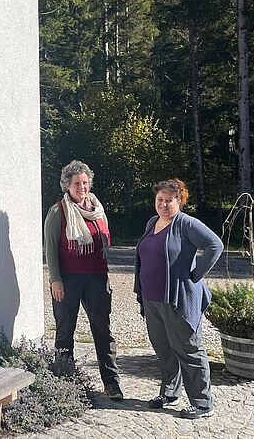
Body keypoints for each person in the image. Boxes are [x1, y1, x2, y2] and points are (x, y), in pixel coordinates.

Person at [134, 178, 223, 419]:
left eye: (169, 200)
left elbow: (215, 244)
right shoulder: (153, 222)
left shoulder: (186, 224)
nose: (163, 204)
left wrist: (195, 275)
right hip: (152, 298)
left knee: (189, 349)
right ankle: (170, 392)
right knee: (164, 349)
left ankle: (203, 403)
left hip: (177, 299)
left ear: (179, 201)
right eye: (159, 200)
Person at [44, 160, 123, 399]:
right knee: (65, 330)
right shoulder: (58, 211)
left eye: (85, 182)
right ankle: (64, 382)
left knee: (102, 330)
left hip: (97, 278)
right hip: (67, 280)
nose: (82, 187)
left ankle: (111, 382)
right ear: (67, 185)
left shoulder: (97, 208)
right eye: (77, 183)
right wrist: (55, 279)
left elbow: (105, 243)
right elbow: (50, 248)